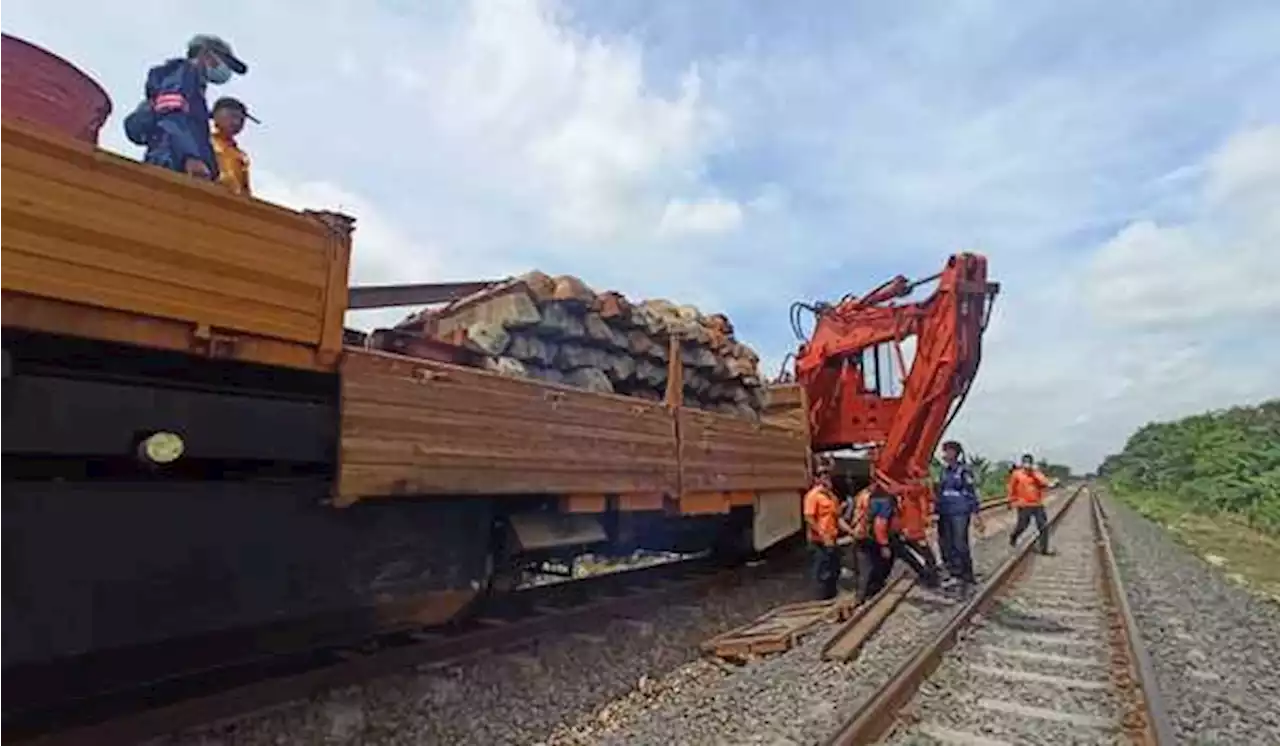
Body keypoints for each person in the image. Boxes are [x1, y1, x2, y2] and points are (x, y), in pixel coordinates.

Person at [124, 34, 248, 181]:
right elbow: (173, 115)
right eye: (225, 62)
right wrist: (190, 157)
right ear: (206, 54)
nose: (226, 70)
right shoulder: (185, 73)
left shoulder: (194, 86)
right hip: (171, 161)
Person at [934, 441, 985, 592]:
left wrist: (976, 514)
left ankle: (966, 575)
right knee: (945, 544)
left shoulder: (964, 471)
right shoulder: (943, 471)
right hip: (945, 512)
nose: (945, 454)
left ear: (956, 453)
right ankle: (952, 572)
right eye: (944, 451)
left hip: (959, 512)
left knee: (959, 543)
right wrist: (935, 512)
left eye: (948, 451)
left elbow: (971, 493)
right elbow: (939, 493)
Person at [803, 463, 854, 600]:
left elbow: (837, 518)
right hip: (819, 541)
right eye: (822, 475)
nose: (826, 478)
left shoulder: (832, 497)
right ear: (816, 479)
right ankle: (821, 599)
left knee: (834, 569)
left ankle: (831, 596)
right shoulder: (812, 496)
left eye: (827, 475)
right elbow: (809, 517)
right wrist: (822, 534)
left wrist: (851, 531)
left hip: (832, 539)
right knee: (822, 571)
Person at [850, 486, 895, 603]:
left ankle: (862, 596)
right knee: (871, 567)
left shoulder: (863, 494)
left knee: (865, 568)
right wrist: (884, 545)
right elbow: (880, 524)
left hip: (861, 534)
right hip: (870, 537)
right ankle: (863, 597)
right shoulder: (885, 500)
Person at [1008, 453, 1056, 555]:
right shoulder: (1017, 474)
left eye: (1029, 462)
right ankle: (1014, 536)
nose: (1027, 464)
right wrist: (1011, 501)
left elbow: (1045, 483)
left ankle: (1044, 549)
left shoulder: (1036, 474)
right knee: (1023, 525)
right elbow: (1012, 488)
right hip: (1023, 504)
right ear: (1022, 463)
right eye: (1025, 462)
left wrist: (1036, 475)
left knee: (1043, 526)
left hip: (1037, 504)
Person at [210, 97, 258, 195]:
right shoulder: (204, 143)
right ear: (216, 116)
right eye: (233, 116)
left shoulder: (240, 155)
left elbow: (245, 190)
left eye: (241, 120)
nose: (237, 123)